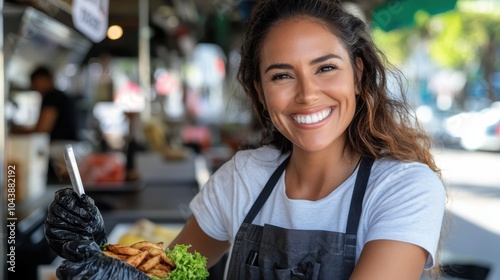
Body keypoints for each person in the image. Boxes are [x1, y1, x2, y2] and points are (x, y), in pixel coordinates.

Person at [43, 0, 446, 279]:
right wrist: (104, 255)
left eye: (325, 68)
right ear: (260, 90)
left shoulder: (404, 188)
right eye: (282, 75)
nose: (307, 94)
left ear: (358, 74)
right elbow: (175, 272)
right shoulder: (245, 176)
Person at [11, 65, 78, 141]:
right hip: (67, 144)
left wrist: (16, 131)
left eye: (35, 82)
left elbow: (42, 130)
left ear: (46, 78)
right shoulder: (59, 96)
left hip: (59, 146)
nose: (34, 87)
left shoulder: (52, 97)